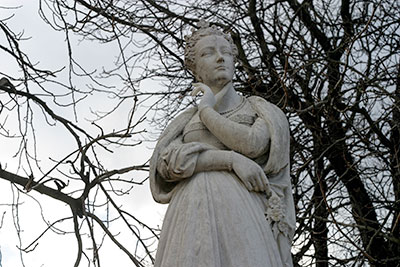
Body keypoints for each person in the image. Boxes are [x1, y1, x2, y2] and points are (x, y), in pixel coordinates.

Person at [149, 21, 295, 267]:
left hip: (242, 211)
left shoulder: (260, 110)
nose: (220, 59)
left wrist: (206, 110)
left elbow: (252, 144)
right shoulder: (183, 122)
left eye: (226, 53)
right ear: (195, 69)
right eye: (208, 53)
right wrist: (231, 160)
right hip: (190, 213)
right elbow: (168, 165)